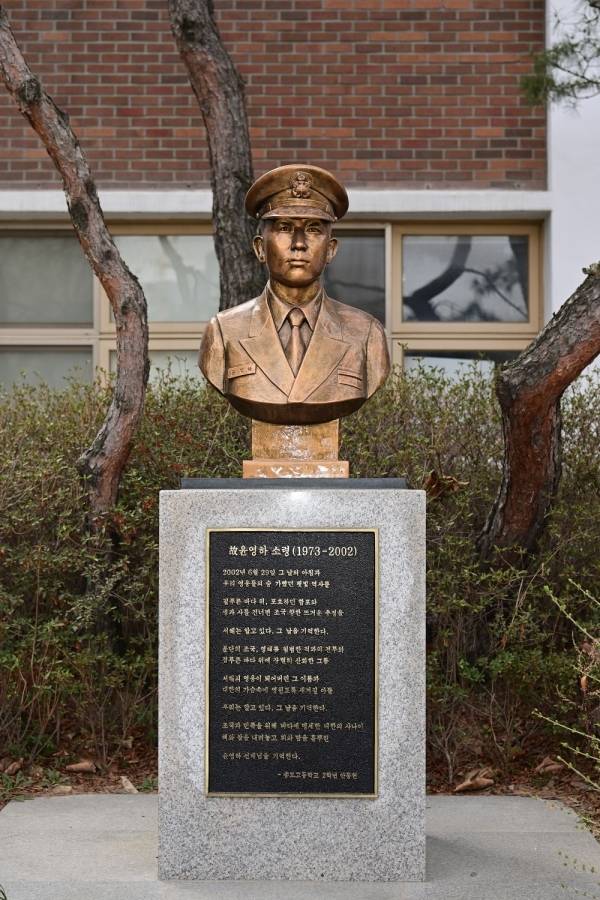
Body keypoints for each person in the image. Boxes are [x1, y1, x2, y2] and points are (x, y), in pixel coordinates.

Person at [199, 164, 390, 425]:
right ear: (260, 248)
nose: (299, 244)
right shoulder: (224, 331)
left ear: (331, 249)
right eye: (285, 228)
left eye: (313, 229)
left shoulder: (367, 334)